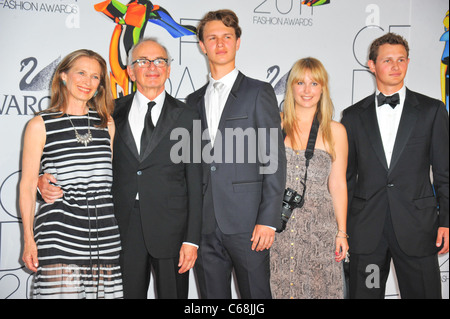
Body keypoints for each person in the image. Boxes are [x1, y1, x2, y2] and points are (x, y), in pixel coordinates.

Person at [38, 39, 203, 299]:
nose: (152, 67)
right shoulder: (109, 112)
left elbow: (196, 181)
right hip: (120, 229)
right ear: (130, 70)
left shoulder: (188, 115)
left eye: (160, 61)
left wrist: (192, 239)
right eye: (142, 61)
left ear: (169, 69)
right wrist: (41, 179)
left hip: (172, 230)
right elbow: (72, 152)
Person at [186, 9, 286, 299]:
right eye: (212, 38)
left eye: (227, 37)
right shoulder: (192, 101)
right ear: (202, 46)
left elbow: (273, 159)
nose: (220, 44)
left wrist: (268, 219)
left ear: (237, 42)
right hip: (205, 225)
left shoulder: (259, 92)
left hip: (249, 224)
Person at [341, 32, 449, 299]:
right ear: (372, 64)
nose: (396, 66)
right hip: (367, 231)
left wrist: (446, 221)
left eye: (401, 59)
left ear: (408, 62)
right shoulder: (353, 116)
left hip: (418, 228)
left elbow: (445, 172)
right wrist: (341, 228)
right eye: (388, 60)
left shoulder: (432, 110)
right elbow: (345, 179)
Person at [20, 49, 123, 299]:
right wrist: (28, 240)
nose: (87, 82)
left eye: (95, 77)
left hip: (104, 236)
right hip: (59, 234)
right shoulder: (40, 125)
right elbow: (26, 185)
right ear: (63, 76)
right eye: (81, 73)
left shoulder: (106, 123)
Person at [270, 57, 349, 299]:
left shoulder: (335, 130)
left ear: (323, 88)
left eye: (314, 84)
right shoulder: (275, 124)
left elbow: (337, 184)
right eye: (300, 83)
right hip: (277, 230)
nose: (307, 90)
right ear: (290, 87)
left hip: (320, 232)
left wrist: (341, 232)